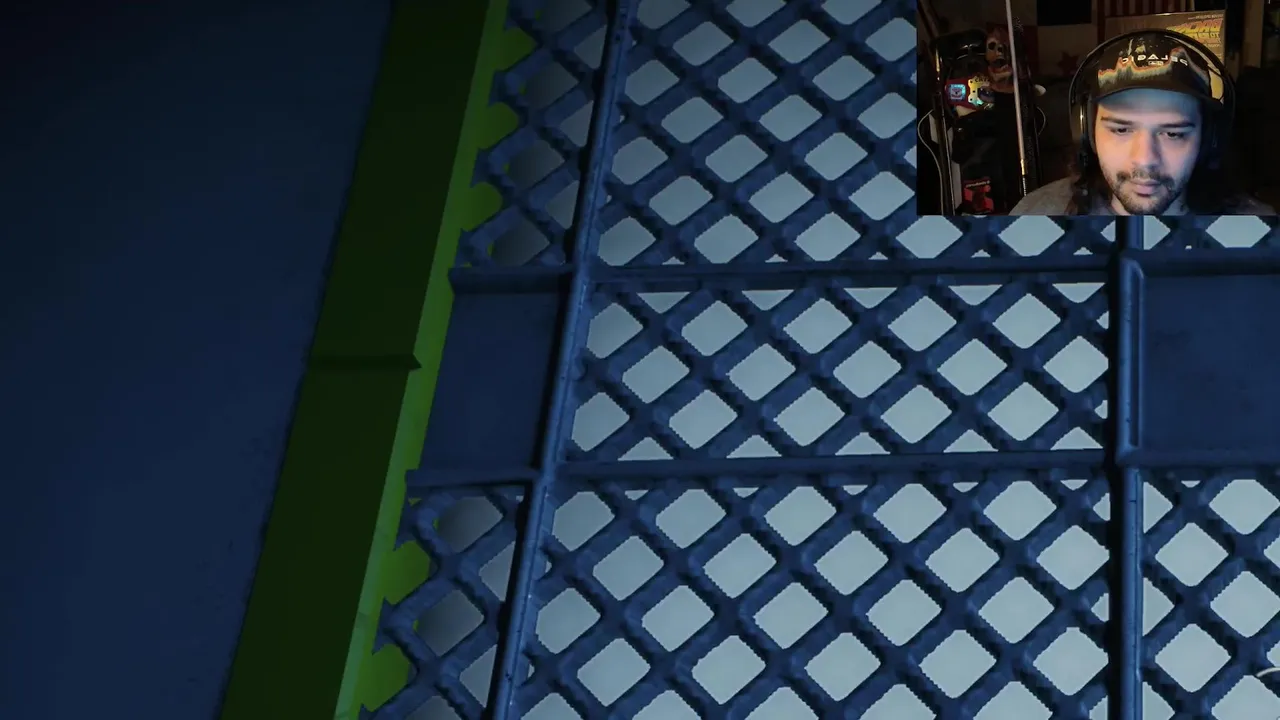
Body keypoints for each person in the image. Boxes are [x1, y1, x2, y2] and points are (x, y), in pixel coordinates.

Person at [1011, 31, 1274, 215]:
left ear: (1208, 140)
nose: (1145, 160)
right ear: (1086, 133)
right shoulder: (1033, 219)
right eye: (1121, 129)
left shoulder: (1258, 234)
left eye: (1173, 134)